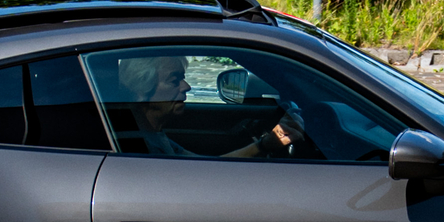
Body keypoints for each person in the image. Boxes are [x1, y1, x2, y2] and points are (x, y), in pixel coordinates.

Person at [114, 54, 304, 158]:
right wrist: (264, 146)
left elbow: (203, 166)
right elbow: (201, 175)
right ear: (141, 90)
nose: (186, 86)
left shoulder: (153, 135)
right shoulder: (140, 149)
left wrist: (264, 144)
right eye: (174, 80)